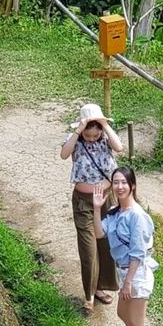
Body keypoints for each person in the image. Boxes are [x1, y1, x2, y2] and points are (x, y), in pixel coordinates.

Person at [92, 167, 157, 326]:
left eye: (123, 183)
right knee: (123, 313)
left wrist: (128, 283)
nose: (119, 187)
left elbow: (138, 252)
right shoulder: (115, 211)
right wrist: (96, 208)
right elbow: (99, 234)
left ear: (132, 186)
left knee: (136, 323)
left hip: (136, 274)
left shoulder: (136, 216)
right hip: (125, 271)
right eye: (116, 182)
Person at [60, 103, 122, 310]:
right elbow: (63, 154)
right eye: (88, 135)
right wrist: (79, 129)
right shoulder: (76, 141)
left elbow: (119, 147)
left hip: (106, 199)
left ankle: (100, 288)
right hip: (83, 201)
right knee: (88, 248)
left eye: (95, 135)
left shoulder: (105, 140)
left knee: (104, 244)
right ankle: (89, 294)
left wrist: (105, 124)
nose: (92, 138)